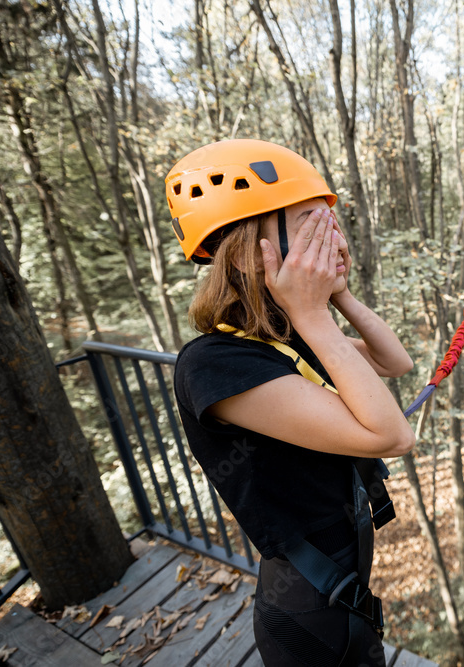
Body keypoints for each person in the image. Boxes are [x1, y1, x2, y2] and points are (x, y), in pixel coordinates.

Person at [167, 139, 416, 667]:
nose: (332, 237)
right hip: (308, 613)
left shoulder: (284, 335)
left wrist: (338, 295)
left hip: (342, 591)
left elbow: (393, 362)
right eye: (310, 224)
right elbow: (392, 436)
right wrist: (313, 314)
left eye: (330, 223)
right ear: (245, 249)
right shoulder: (215, 364)